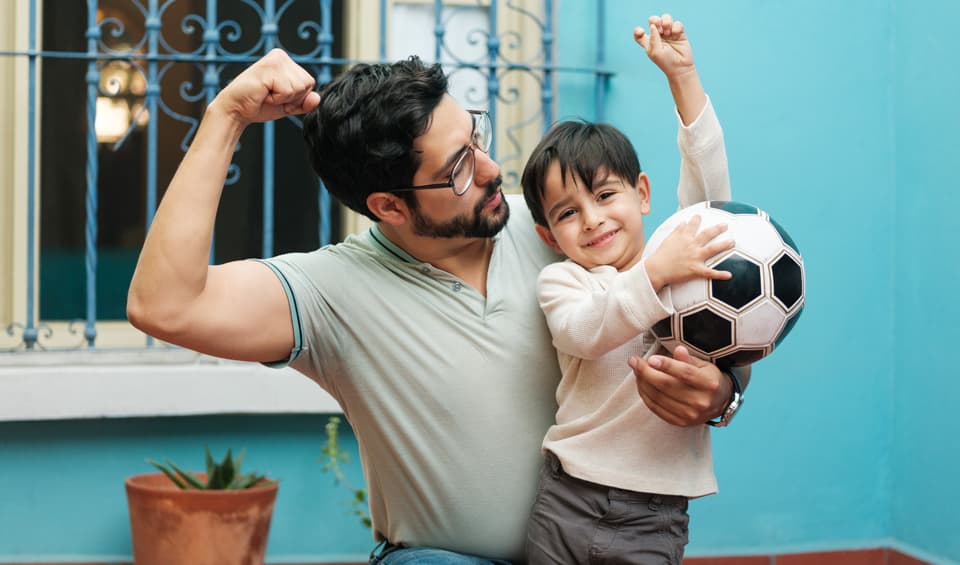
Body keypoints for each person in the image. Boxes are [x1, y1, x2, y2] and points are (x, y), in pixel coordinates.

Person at [126, 13, 744, 564]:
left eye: (476, 136)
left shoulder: (559, 231)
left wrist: (720, 394)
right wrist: (225, 116)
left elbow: (705, 299)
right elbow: (163, 305)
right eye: (456, 168)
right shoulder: (329, 292)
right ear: (389, 206)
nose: (490, 168)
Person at [520, 16, 748, 565]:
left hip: (654, 513)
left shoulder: (680, 263)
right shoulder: (565, 280)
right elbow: (586, 330)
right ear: (548, 236)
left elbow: (710, 187)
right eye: (568, 213)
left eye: (605, 195)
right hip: (566, 496)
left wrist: (683, 78)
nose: (593, 220)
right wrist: (652, 276)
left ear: (642, 193)